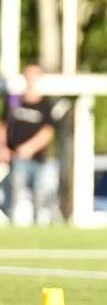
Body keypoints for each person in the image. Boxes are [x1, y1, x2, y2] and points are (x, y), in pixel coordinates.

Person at [0, 64, 59, 225]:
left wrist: (29, 148)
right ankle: (13, 221)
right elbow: (4, 125)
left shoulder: (45, 104)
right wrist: (3, 147)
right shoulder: (14, 100)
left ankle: (38, 224)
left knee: (40, 194)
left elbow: (47, 131)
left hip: (38, 159)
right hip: (16, 158)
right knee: (14, 191)